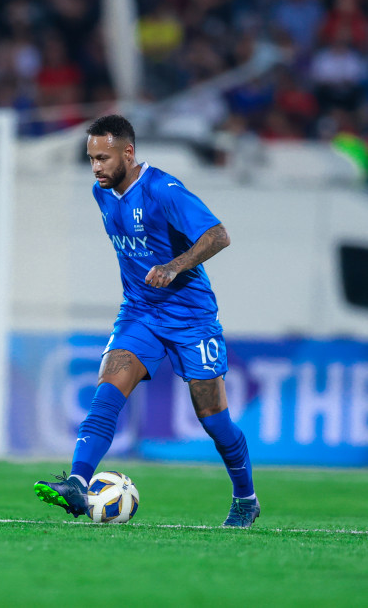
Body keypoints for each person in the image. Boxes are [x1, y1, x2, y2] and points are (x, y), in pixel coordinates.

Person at [34, 115, 260, 528]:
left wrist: (174, 266)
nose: (96, 167)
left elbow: (218, 235)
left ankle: (246, 498)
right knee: (107, 392)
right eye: (91, 158)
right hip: (140, 313)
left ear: (128, 152)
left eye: (103, 158)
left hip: (191, 318)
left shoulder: (163, 190)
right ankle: (77, 483)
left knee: (213, 419)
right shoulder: (102, 194)